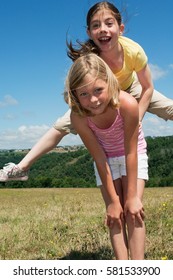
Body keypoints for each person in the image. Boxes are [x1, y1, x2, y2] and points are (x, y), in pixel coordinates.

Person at [0, 1, 172, 181]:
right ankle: (21, 168)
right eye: (96, 25)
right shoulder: (88, 58)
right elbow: (73, 93)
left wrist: (136, 117)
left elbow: (148, 87)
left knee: (169, 108)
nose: (103, 29)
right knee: (61, 125)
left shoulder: (133, 51)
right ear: (89, 32)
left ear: (120, 28)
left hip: (131, 88)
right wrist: (86, 112)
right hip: (99, 94)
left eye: (109, 23)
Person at [64, 52, 147, 259]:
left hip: (132, 154)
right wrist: (112, 201)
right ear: (74, 94)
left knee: (132, 211)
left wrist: (132, 197)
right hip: (105, 160)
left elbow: (131, 151)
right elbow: (99, 158)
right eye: (83, 94)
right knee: (115, 214)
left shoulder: (127, 104)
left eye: (98, 90)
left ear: (109, 82)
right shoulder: (79, 116)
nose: (92, 100)